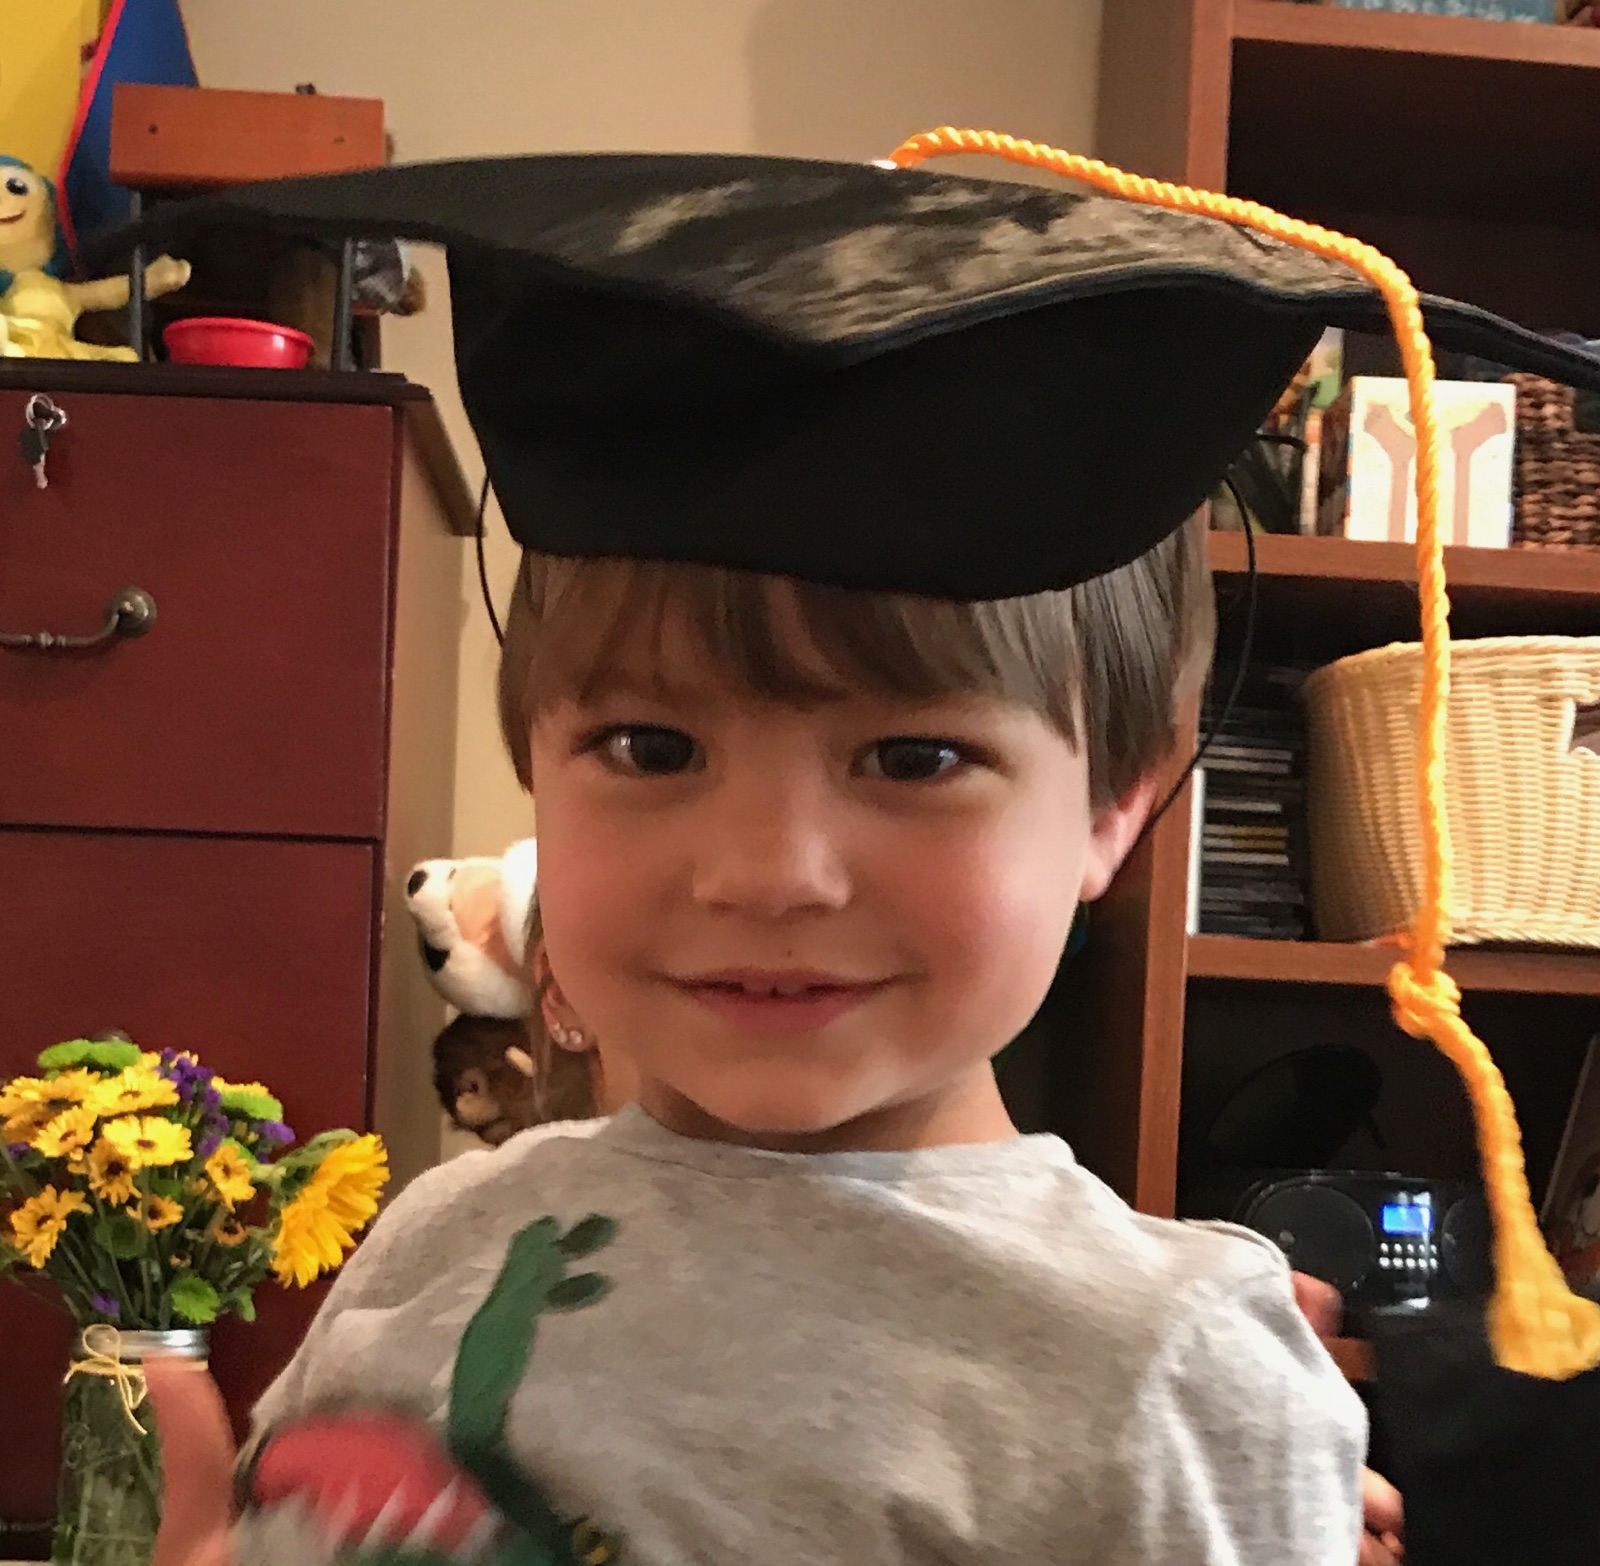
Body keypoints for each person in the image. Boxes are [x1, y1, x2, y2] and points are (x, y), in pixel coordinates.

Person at [118, 146, 1599, 1566]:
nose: (768, 870)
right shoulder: (441, 1238)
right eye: (650, 746)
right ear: (536, 763)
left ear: (1117, 804)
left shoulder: (1165, 1369)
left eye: (913, 757)